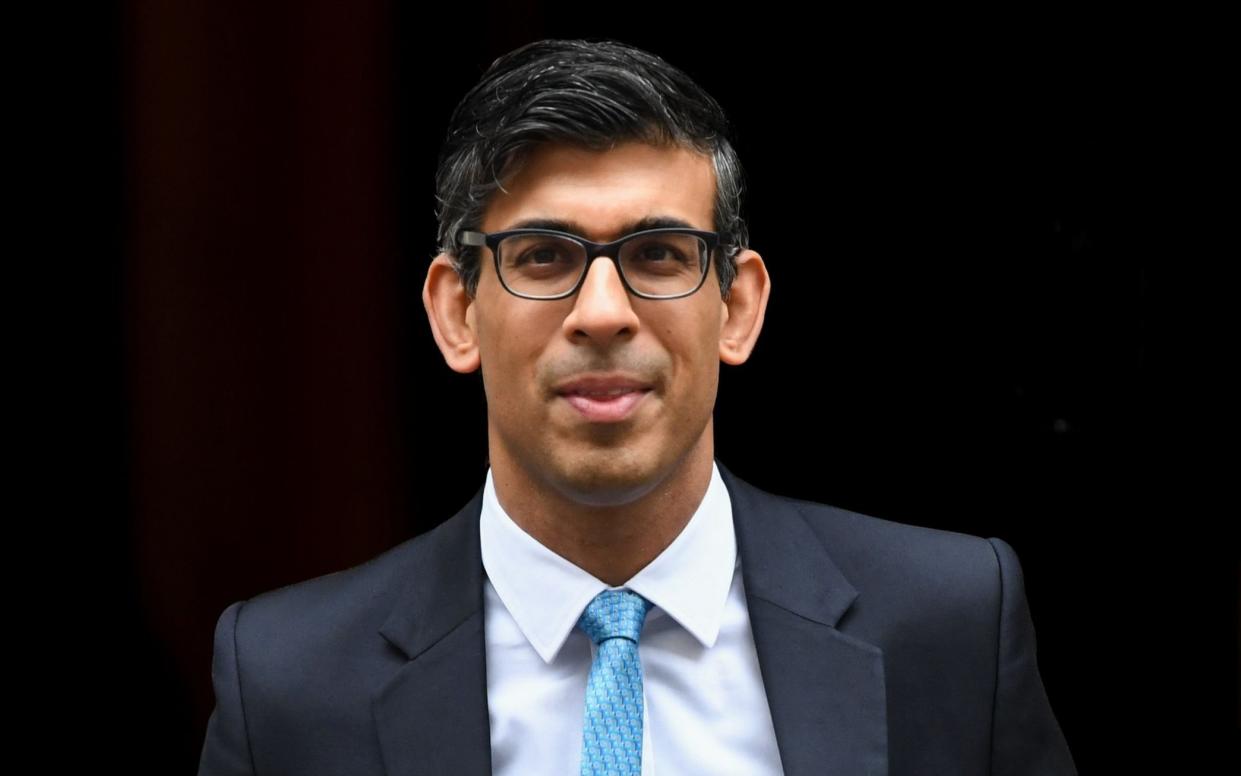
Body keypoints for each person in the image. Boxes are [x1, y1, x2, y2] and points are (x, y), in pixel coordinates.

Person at [197, 38, 1077, 775]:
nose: (605, 313)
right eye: (542, 256)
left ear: (736, 306)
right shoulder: (287, 681)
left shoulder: (950, 625)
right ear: (457, 313)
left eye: (658, 253)